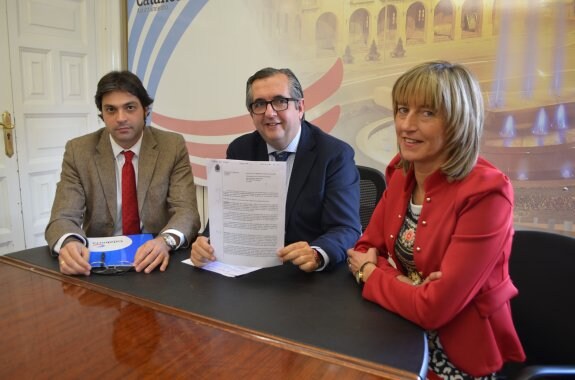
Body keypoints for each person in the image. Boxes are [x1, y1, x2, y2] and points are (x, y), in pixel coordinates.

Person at [346, 61, 525, 378]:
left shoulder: (488, 194)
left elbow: (433, 310)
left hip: (457, 356)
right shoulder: (402, 172)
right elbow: (364, 247)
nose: (406, 125)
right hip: (395, 330)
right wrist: (409, 287)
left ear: (458, 122)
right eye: (402, 110)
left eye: (427, 113)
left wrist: (373, 273)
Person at [191, 67, 361, 272]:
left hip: (306, 277)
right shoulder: (240, 149)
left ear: (300, 107)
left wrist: (317, 253)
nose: (270, 113)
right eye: (260, 104)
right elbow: (225, 217)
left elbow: (346, 228)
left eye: (280, 101)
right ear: (252, 113)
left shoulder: (334, 154)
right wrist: (206, 242)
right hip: (250, 272)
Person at [45, 70, 201, 276]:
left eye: (129, 107)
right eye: (111, 109)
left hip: (157, 259)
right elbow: (62, 216)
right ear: (102, 114)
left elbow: (186, 212)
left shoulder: (171, 146)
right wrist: (69, 243)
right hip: (98, 264)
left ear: (145, 110)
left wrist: (165, 241)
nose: (121, 118)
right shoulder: (78, 151)